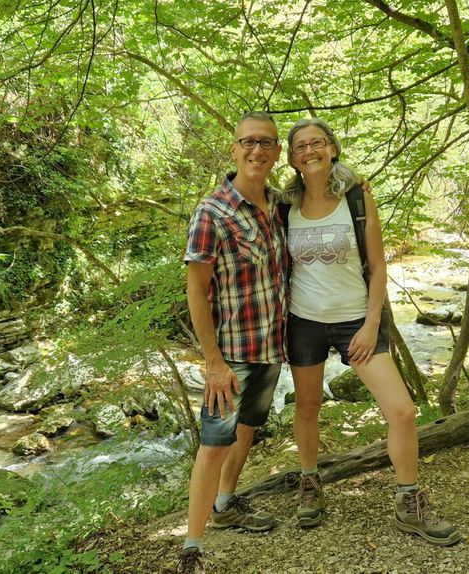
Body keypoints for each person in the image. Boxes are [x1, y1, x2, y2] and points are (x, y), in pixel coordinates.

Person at [283, 117, 461, 545]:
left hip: (354, 321)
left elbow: (379, 266)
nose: (310, 152)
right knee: (307, 406)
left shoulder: (357, 197)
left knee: (401, 411)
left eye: (318, 143)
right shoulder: (283, 205)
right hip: (302, 320)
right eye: (301, 147)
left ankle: (408, 502)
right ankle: (310, 482)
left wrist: (369, 324)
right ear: (291, 158)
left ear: (333, 149)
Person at [177, 111, 288, 574]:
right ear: (234, 148)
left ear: (278, 152)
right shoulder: (212, 211)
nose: (257, 150)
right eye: (249, 141)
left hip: (270, 348)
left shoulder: (282, 204)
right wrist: (214, 363)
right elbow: (196, 293)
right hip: (232, 356)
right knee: (214, 443)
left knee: (247, 430)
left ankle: (225, 505)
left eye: (266, 143)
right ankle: (191, 549)